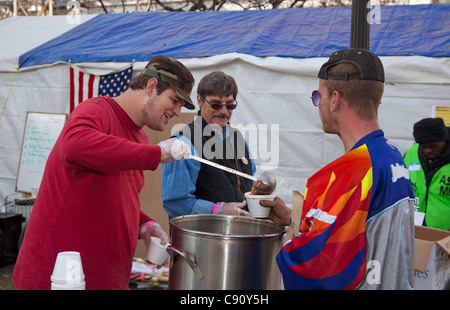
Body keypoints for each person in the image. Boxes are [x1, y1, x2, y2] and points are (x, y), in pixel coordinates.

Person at [13, 55, 194, 290]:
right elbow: (74, 145)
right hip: (60, 278)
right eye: (175, 100)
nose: (178, 111)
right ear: (151, 87)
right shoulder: (97, 110)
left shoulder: (139, 136)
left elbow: (116, 198)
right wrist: (156, 154)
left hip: (107, 277)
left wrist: (145, 225)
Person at [262, 48, 415, 290]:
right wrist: (295, 219)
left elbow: (317, 267)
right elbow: (360, 232)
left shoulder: (352, 172)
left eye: (317, 95)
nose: (317, 104)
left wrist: (286, 238)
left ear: (335, 99)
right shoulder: (392, 157)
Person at [161, 71, 255, 218]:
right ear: (200, 100)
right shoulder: (184, 143)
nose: (224, 112)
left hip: (239, 236)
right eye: (216, 105)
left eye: (230, 105)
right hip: (202, 239)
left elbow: (250, 185)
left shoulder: (238, 138)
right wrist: (218, 210)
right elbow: (175, 202)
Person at [403, 117, 450, 231]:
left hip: (445, 234)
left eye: (433, 146)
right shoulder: (411, 153)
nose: (427, 150)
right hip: (416, 228)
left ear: (444, 140)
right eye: (423, 146)